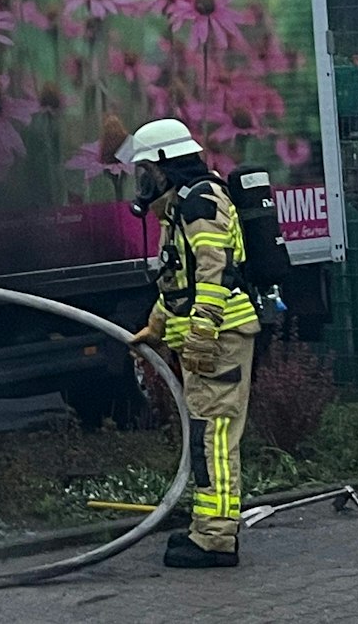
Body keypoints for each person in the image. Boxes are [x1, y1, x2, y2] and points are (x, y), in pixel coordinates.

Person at [121, 117, 261, 568]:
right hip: (209, 339)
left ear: (165, 165)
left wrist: (202, 331)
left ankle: (216, 539)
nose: (143, 182)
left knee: (213, 438)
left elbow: (213, 270)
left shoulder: (200, 201)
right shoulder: (182, 205)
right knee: (205, 435)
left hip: (219, 339)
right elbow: (178, 280)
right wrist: (157, 325)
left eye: (146, 172)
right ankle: (208, 529)